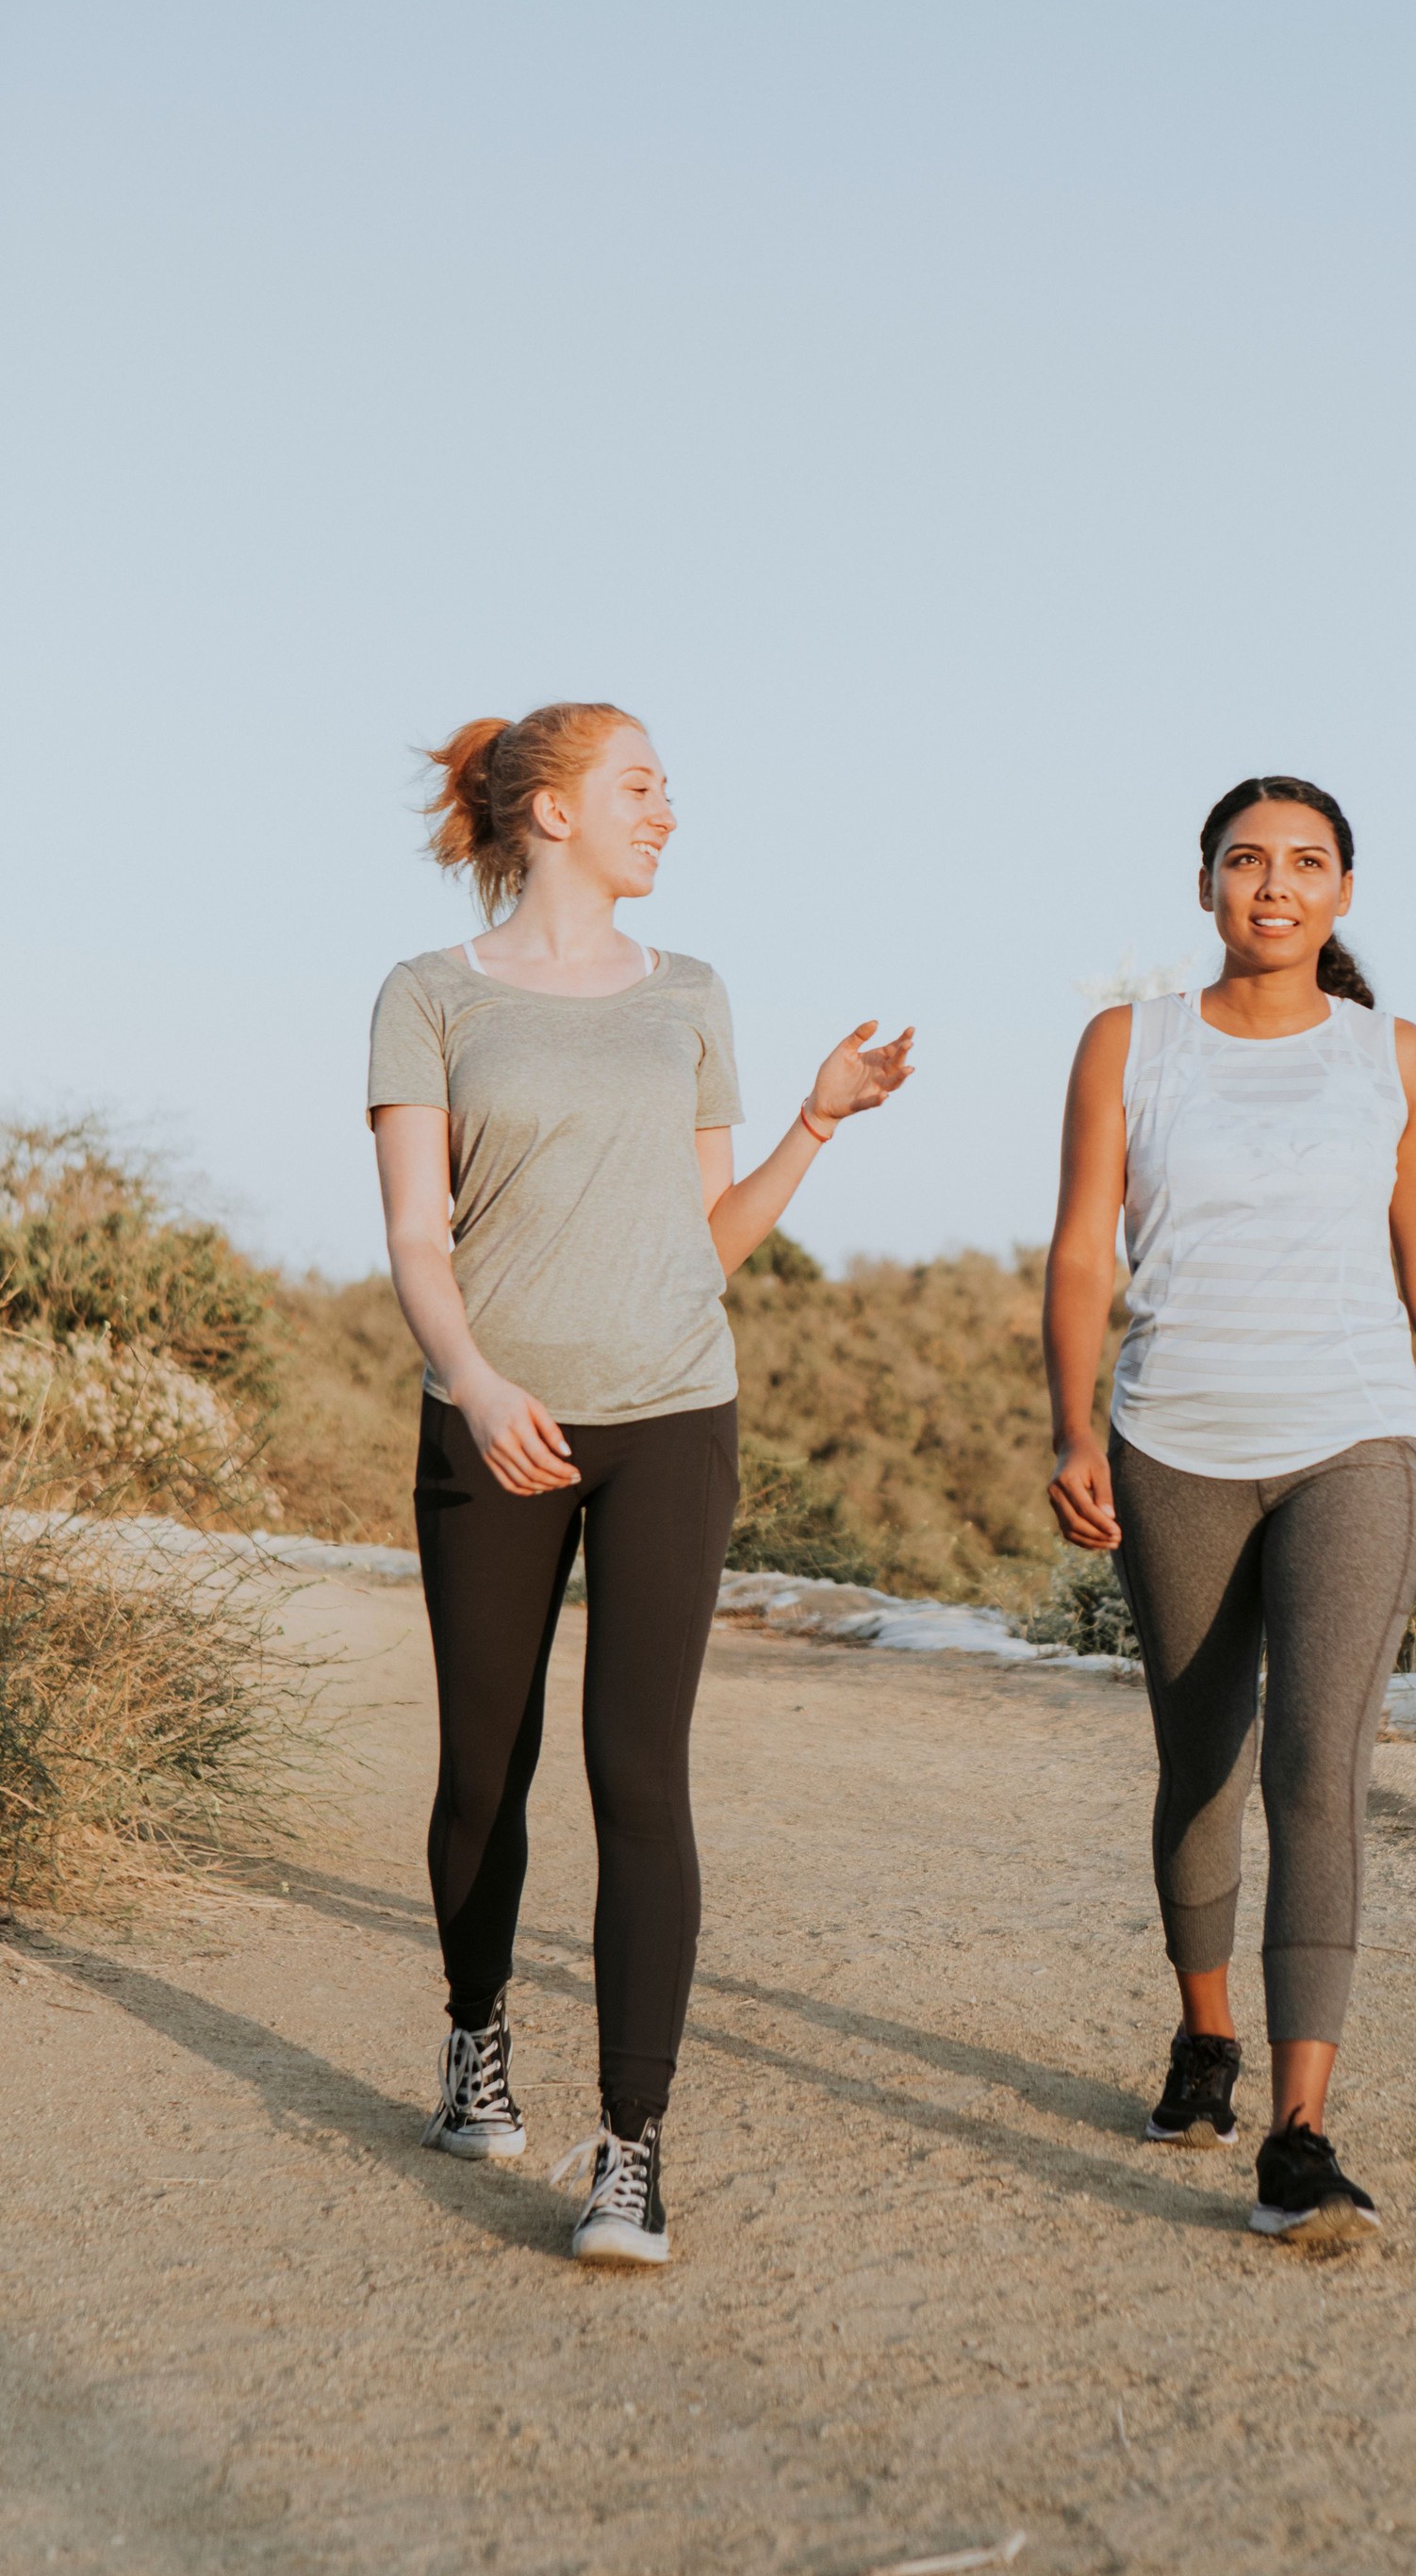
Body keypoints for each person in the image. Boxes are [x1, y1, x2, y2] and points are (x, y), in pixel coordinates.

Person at [368, 701, 912, 2265]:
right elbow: (417, 1236)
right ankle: (478, 2039)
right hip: (491, 1419)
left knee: (638, 1775)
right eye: (640, 787)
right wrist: (473, 1385)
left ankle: (631, 2149)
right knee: (486, 1766)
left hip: (674, 1411)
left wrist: (814, 1120)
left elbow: (708, 1238)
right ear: (549, 811)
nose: (668, 812)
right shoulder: (429, 996)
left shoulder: (691, 994)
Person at [1043, 776, 1416, 2244]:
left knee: (1317, 1770)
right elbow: (1084, 1251)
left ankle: (1300, 2130)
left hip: (1356, 1444)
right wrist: (1072, 1423)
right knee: (1201, 1757)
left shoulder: (1390, 1057)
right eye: (1246, 860)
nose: (1274, 884)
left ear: (1343, 894)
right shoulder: (1125, 1046)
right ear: (1204, 884)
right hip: (1173, 1446)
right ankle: (1205, 2038)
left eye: (1306, 863)